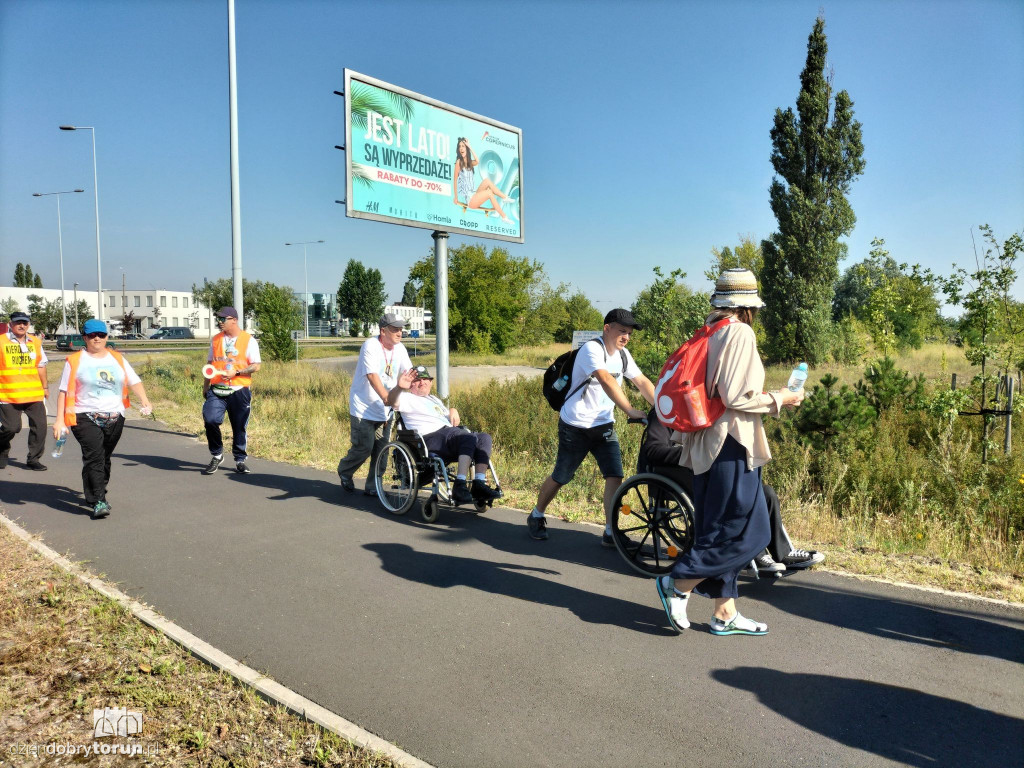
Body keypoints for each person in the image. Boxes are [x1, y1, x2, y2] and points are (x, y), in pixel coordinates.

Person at [653, 268, 804, 636]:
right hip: (731, 442)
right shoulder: (739, 332)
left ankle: (724, 613)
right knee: (750, 532)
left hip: (705, 441)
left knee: (714, 528)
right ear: (749, 305)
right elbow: (736, 396)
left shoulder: (711, 330)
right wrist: (781, 398)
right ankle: (679, 583)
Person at [637, 407, 824, 572]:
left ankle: (784, 552)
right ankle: (753, 553)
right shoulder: (664, 411)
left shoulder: (700, 408)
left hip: (706, 470)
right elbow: (653, 450)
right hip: (682, 475)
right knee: (741, 499)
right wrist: (693, 453)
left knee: (765, 493)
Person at [528, 308, 656, 546]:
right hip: (575, 426)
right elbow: (606, 379)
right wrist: (629, 409)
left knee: (615, 475)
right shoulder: (591, 350)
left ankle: (610, 531)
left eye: (629, 333)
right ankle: (536, 515)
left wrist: (662, 407)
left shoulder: (623, 355)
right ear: (607, 328)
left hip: (604, 425)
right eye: (622, 331)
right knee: (561, 476)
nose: (626, 337)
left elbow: (641, 381)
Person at [52, 319, 152, 519]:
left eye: (101, 335)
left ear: (107, 337)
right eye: (92, 335)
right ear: (85, 338)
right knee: (95, 457)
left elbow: (135, 381)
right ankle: (99, 500)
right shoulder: (75, 361)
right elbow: (63, 391)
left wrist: (145, 401)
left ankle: (94, 491)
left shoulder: (117, 359)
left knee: (103, 458)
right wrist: (59, 420)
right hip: (85, 415)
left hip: (115, 416)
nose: (97, 338)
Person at [386, 365, 502, 505]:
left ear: (431, 382)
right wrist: (399, 387)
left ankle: (479, 483)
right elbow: (391, 401)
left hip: (448, 435)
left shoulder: (434, 399)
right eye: (417, 380)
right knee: (467, 437)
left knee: (484, 438)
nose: (422, 382)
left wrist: (452, 410)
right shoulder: (406, 398)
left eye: (425, 379)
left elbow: (448, 416)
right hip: (429, 439)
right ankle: (459, 485)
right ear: (410, 384)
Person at [338, 312, 413, 495]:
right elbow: (372, 375)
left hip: (385, 409)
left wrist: (421, 382)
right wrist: (386, 397)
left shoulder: (400, 349)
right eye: (395, 329)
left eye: (401, 329)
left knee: (382, 450)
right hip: (363, 407)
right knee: (364, 447)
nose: (399, 333)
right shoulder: (370, 346)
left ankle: (373, 486)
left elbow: (409, 372)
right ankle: (345, 471)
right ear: (383, 331)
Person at [202, 306, 261, 475]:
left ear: (234, 320)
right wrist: (206, 386)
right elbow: (209, 365)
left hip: (239, 390)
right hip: (217, 389)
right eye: (218, 319)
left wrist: (236, 372)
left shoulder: (249, 340)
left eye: (223, 319)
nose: (219, 322)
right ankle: (217, 454)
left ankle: (240, 459)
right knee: (210, 419)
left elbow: (256, 366)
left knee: (239, 426)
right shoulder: (215, 340)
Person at [0, 311, 49, 471]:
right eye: (18, 322)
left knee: (40, 426)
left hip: (33, 394)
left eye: (25, 323)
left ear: (28, 324)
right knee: (11, 428)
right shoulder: (1, 342)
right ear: (10, 324)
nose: (22, 325)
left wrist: (45, 387)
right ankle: (2, 449)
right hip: (8, 395)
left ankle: (33, 459)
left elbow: (41, 366)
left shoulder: (35, 342)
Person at [452, 137, 514, 222]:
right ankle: (504, 216)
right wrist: (456, 197)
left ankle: (504, 197)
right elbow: (455, 180)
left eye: (463, 146)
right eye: (460, 146)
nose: (461, 148)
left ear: (466, 148)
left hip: (473, 194)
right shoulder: (459, 162)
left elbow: (477, 161)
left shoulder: (470, 163)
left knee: (487, 181)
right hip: (469, 200)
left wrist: (469, 146)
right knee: (489, 193)